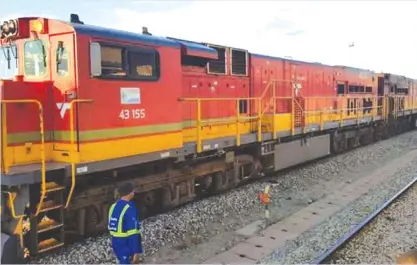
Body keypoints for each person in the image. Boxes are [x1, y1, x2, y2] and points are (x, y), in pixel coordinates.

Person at [108, 182, 143, 264]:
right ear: (130, 193)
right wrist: (136, 251)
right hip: (126, 243)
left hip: (115, 242)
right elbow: (133, 232)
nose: (134, 193)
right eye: (133, 191)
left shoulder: (113, 206)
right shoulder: (130, 208)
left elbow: (111, 225)